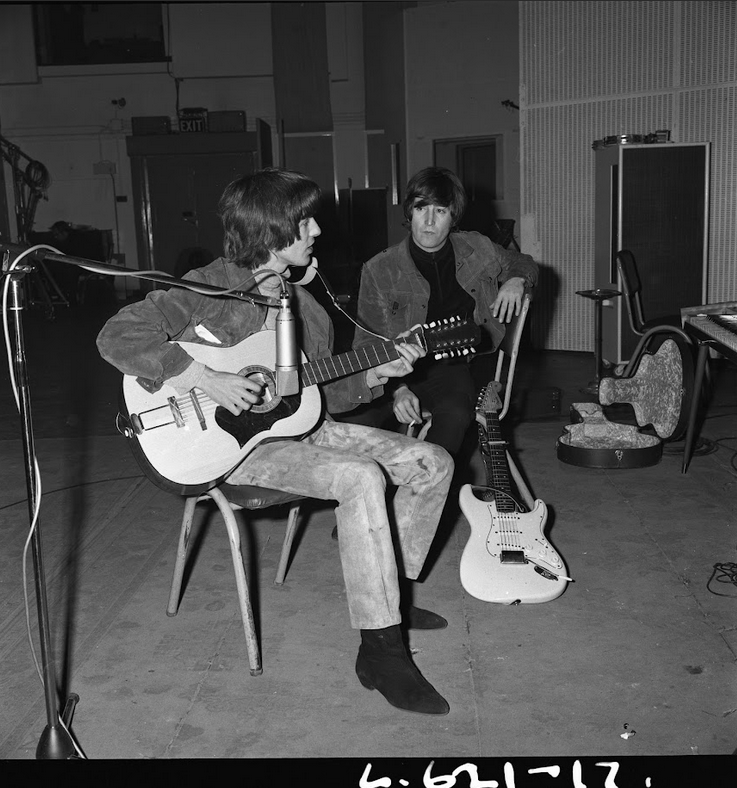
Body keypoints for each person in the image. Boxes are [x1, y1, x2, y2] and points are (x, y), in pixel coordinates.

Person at [96, 167, 454, 716]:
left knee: (433, 462)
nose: (315, 230)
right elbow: (116, 335)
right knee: (359, 477)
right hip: (238, 448)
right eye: (303, 220)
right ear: (271, 229)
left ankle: (389, 601)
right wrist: (202, 376)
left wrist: (379, 373)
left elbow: (322, 398)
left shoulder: (305, 304)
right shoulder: (208, 285)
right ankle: (382, 654)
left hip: (302, 427)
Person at [345, 166, 538, 460]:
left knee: (454, 413)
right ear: (410, 211)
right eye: (422, 208)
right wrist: (400, 388)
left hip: (455, 366)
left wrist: (516, 279)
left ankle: (426, 486)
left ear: (453, 217)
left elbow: (522, 262)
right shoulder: (379, 269)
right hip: (396, 370)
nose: (430, 221)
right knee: (353, 426)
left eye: (441, 211)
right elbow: (366, 343)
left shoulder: (478, 248)